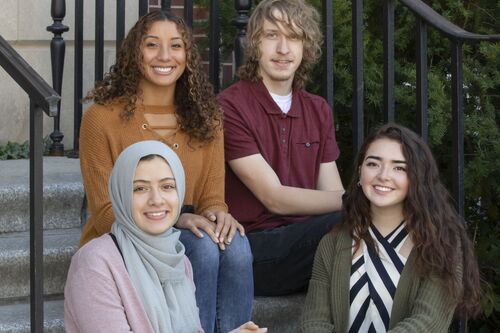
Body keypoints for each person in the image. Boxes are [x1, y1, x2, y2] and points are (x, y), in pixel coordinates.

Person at [78, 10, 253, 333]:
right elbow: (105, 213)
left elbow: (212, 197)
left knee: (236, 244)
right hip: (127, 237)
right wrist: (176, 219)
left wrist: (219, 214)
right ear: (135, 53)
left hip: (188, 227)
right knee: (197, 245)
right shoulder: (101, 119)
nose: (164, 56)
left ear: (187, 54)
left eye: (175, 46)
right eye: (152, 45)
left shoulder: (207, 118)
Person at [65, 141, 265, 333]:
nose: (156, 200)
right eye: (140, 188)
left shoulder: (180, 260)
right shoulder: (95, 263)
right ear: (121, 194)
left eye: (167, 186)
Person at [299, 123, 482, 332]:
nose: (383, 175)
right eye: (373, 164)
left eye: (399, 167)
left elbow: (427, 323)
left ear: (416, 178)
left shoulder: (441, 244)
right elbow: (313, 322)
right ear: (360, 171)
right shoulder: (331, 244)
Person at [218, 0, 345, 296]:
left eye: (294, 36)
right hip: (253, 249)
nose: (283, 49)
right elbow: (274, 198)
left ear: (306, 46)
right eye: (272, 35)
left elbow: (333, 192)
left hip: (309, 244)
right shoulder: (230, 106)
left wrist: (364, 204)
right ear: (255, 43)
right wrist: (363, 200)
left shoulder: (318, 109)